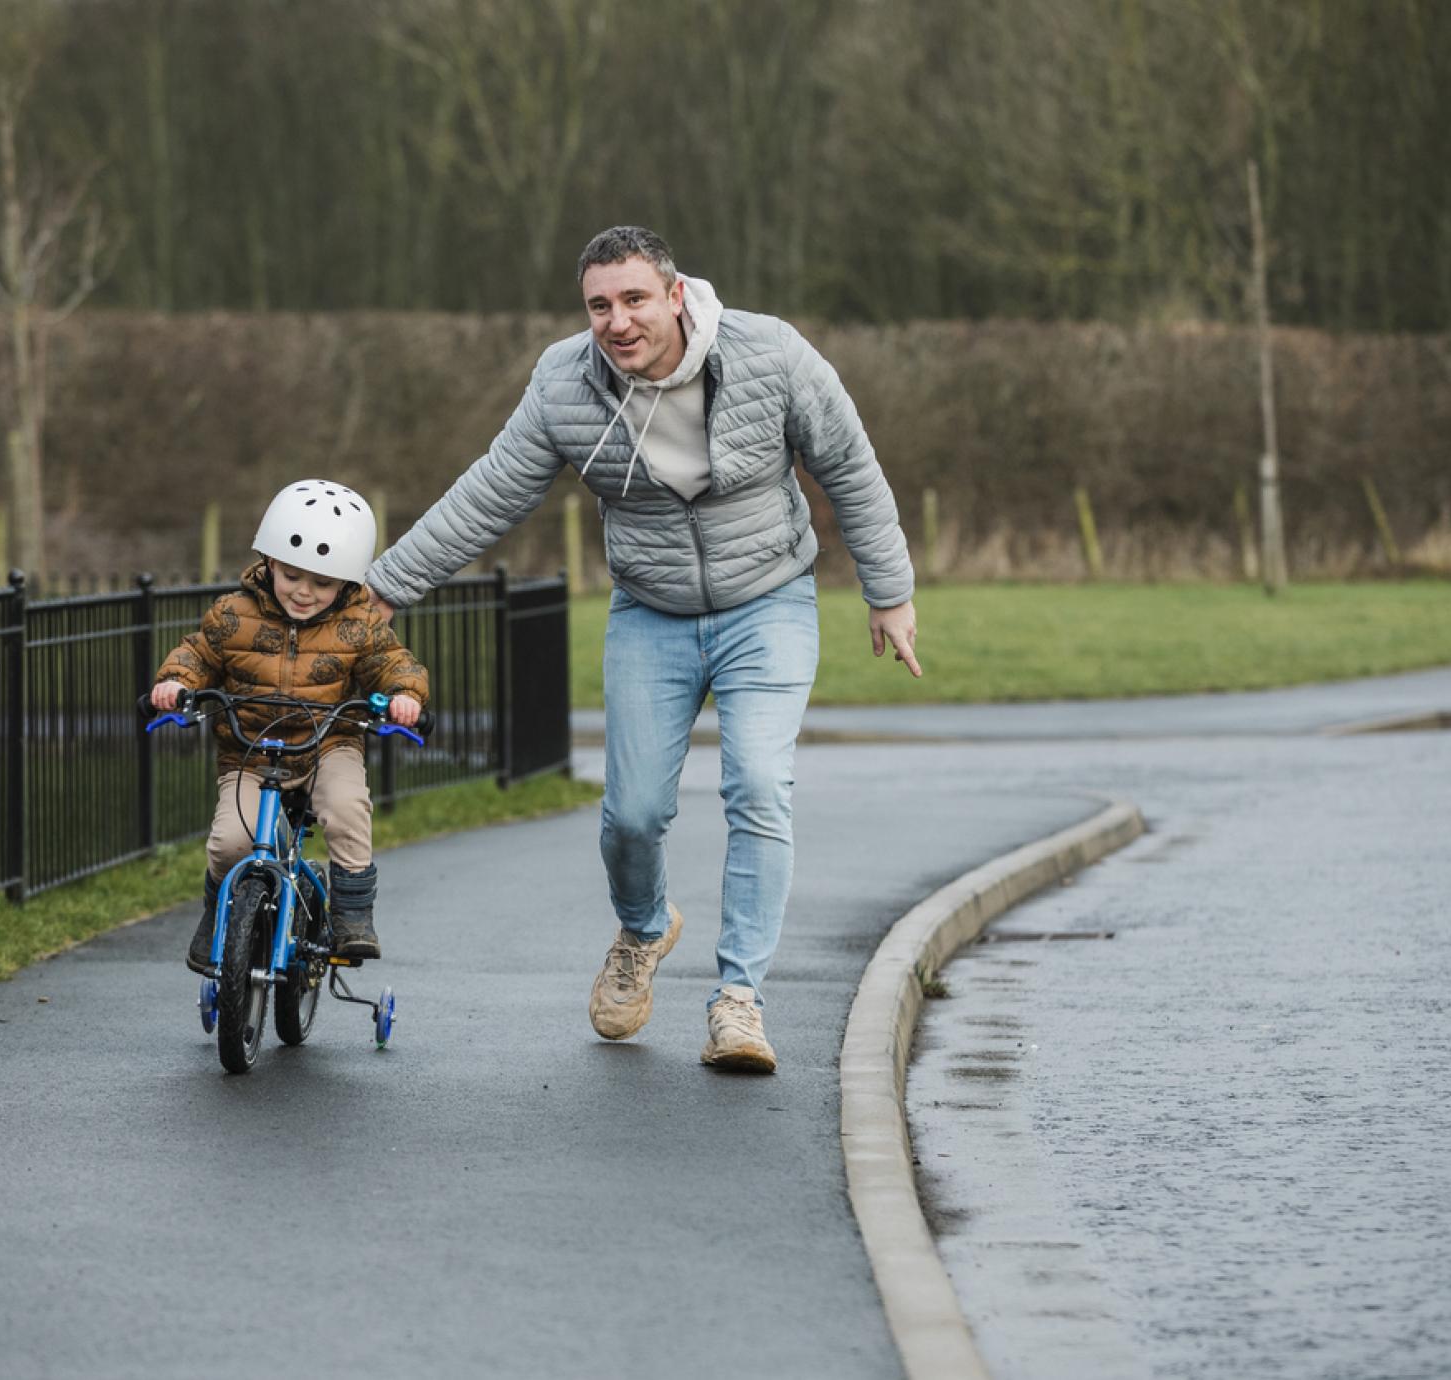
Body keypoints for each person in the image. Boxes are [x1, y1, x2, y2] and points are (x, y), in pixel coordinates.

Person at [364, 225, 920, 1074]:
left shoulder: (769, 353)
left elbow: (848, 465)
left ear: (673, 294)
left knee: (761, 786)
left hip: (767, 600)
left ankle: (739, 1001)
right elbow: (489, 493)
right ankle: (644, 929)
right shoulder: (565, 384)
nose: (616, 322)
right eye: (598, 305)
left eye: (632, 300)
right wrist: (384, 588)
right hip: (650, 613)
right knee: (631, 815)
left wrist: (890, 591)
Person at [150, 479, 428, 975]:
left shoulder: (360, 623)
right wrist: (175, 683)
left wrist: (405, 696)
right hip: (250, 753)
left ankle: (352, 916)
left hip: (329, 747)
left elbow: (392, 662)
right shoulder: (233, 615)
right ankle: (217, 914)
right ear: (269, 562)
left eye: (322, 582)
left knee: (346, 810)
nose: (304, 592)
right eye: (292, 574)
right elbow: (196, 652)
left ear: (345, 582)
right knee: (231, 843)